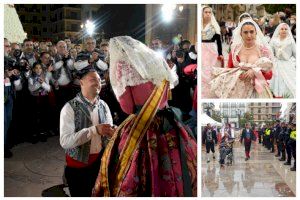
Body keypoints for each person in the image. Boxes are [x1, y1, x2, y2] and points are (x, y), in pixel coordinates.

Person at [92, 36, 196, 197]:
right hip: (169, 124)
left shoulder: (123, 66)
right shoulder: (157, 60)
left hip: (143, 126)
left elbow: (127, 108)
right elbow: (168, 94)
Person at [60, 66, 115, 196]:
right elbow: (65, 141)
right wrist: (94, 130)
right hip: (78, 166)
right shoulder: (69, 107)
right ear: (81, 82)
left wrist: (112, 133)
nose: (98, 83)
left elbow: (107, 133)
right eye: (93, 79)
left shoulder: (104, 105)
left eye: (99, 80)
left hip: (100, 162)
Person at [210, 19, 273, 98]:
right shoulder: (235, 49)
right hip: (237, 91)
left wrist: (255, 71)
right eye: (245, 32)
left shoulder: (263, 50)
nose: (249, 35)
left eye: (251, 32)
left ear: (256, 32)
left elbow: (269, 75)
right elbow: (229, 68)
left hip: (256, 90)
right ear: (241, 34)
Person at [201, 6, 223, 98]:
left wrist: (220, 53)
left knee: (210, 71)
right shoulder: (199, 24)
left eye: (210, 12)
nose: (208, 14)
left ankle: (211, 92)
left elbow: (218, 41)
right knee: (202, 71)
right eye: (206, 12)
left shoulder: (214, 25)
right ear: (202, 13)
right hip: (202, 48)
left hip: (211, 50)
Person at [269, 23, 296, 98]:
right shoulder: (274, 41)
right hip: (276, 63)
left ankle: (287, 95)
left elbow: (296, 54)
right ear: (278, 31)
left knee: (289, 81)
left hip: (288, 64)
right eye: (282, 29)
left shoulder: (290, 41)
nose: (284, 30)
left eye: (286, 29)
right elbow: (270, 53)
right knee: (276, 79)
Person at [28, 62, 52, 142]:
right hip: (34, 99)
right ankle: (34, 134)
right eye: (36, 68)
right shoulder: (31, 77)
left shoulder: (45, 77)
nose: (38, 70)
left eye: (40, 68)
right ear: (34, 69)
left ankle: (42, 133)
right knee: (34, 116)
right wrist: (39, 83)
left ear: (42, 69)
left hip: (44, 98)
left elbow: (49, 88)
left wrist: (43, 83)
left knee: (43, 115)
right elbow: (31, 88)